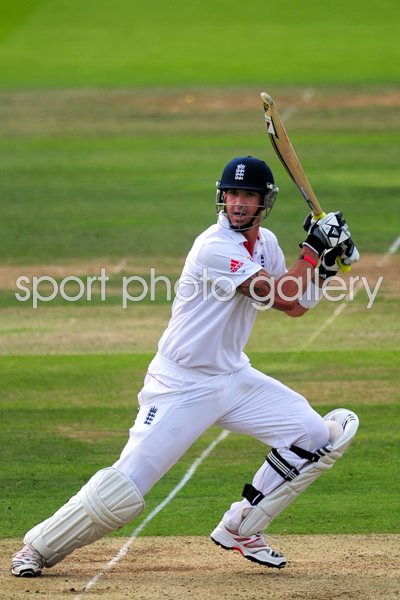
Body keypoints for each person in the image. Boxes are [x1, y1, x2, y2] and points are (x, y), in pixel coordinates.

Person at [11, 156, 359, 577]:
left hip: (232, 377)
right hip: (181, 384)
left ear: (264, 202)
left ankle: (241, 527)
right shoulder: (212, 247)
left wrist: (325, 267)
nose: (237, 203)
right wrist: (313, 249)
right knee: (124, 489)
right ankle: (36, 548)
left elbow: (295, 306)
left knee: (316, 435)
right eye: (232, 194)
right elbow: (283, 295)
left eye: (247, 195)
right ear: (221, 197)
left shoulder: (264, 242)